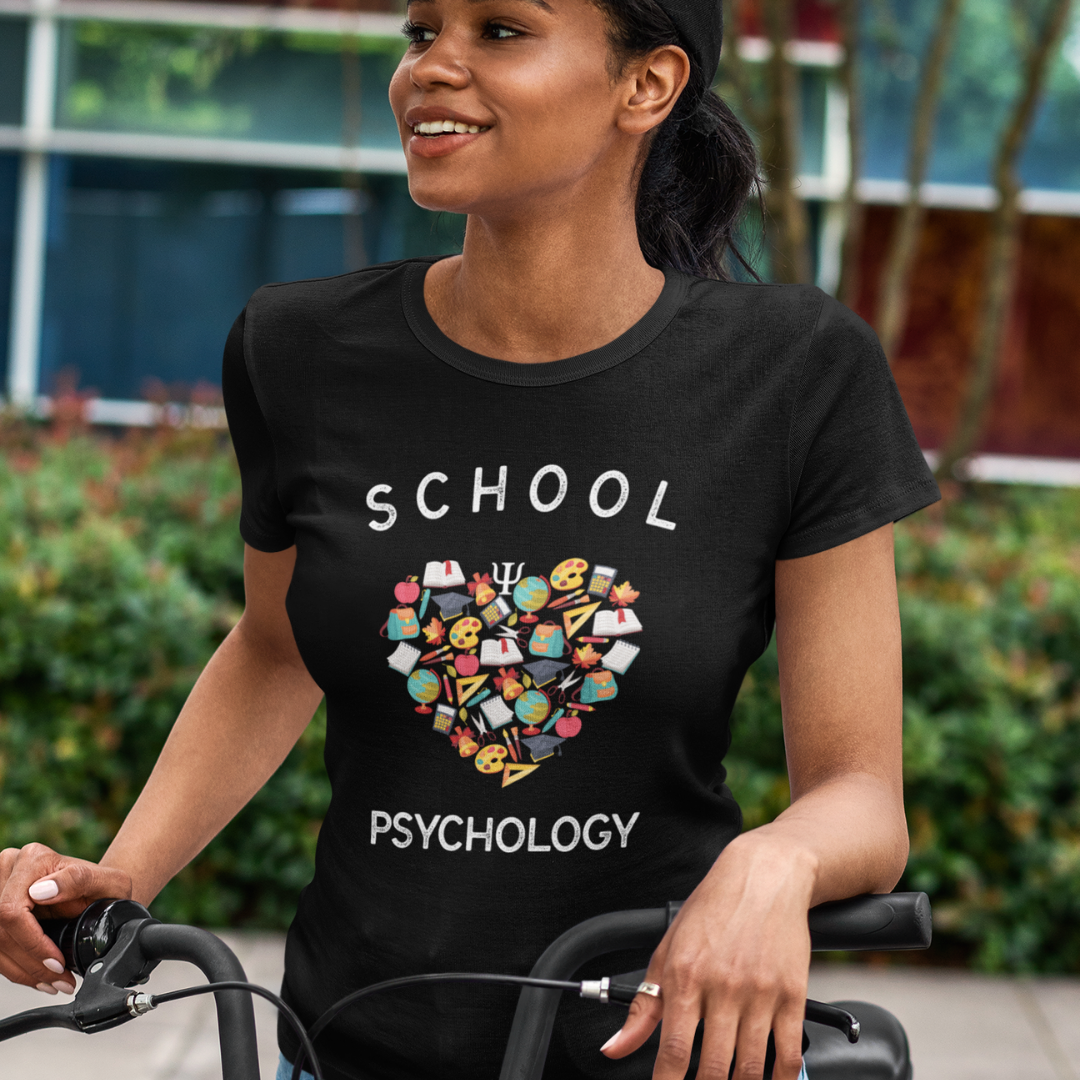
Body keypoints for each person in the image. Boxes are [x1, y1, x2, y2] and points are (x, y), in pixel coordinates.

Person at [0, 1, 940, 1078]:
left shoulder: (794, 375)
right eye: (421, 31)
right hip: (342, 1039)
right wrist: (121, 883)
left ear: (648, 85)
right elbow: (275, 644)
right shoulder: (300, 349)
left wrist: (772, 865)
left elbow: (862, 795)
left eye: (499, 30)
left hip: (649, 1044)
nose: (432, 69)